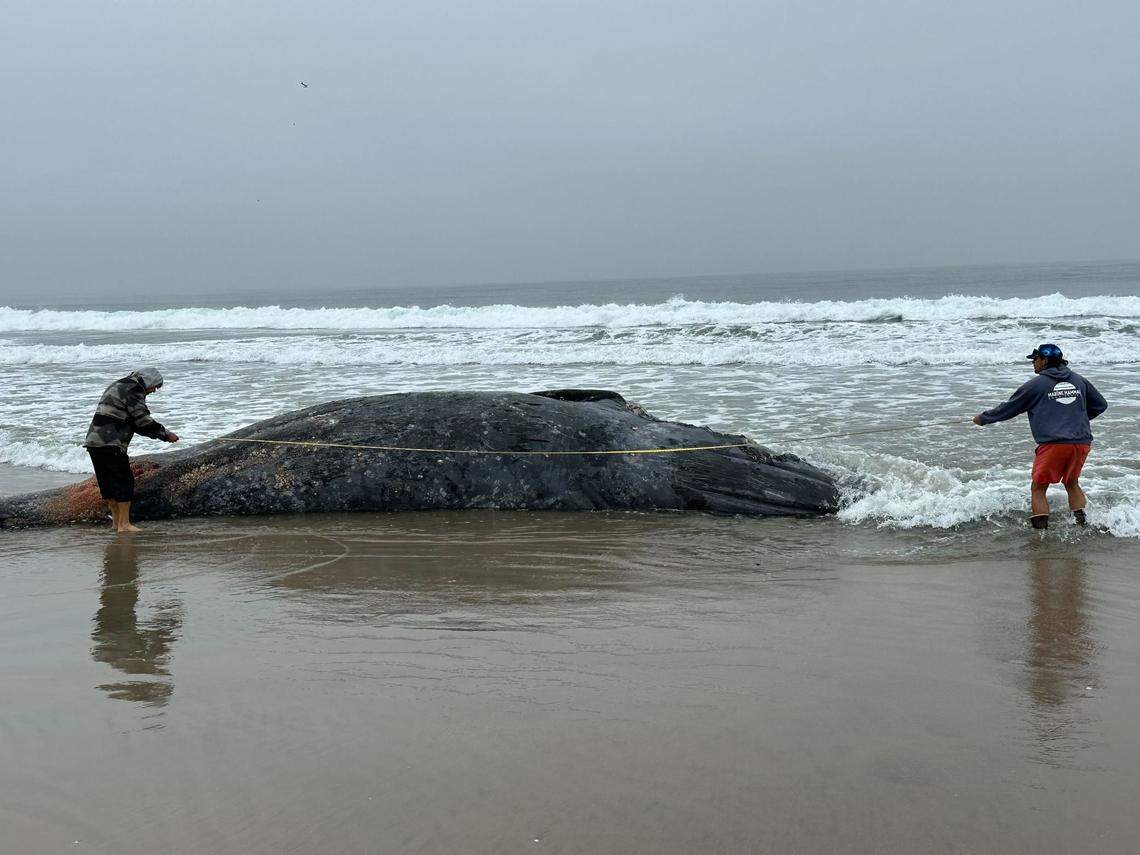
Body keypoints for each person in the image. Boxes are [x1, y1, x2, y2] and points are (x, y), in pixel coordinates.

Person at [972, 344, 1107, 529]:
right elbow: (1100, 405)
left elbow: (1010, 407)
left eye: (1035, 359)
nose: (1033, 363)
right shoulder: (1079, 380)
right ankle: (1082, 526)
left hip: (1054, 445)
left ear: (1044, 360)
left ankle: (1041, 536)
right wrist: (1073, 418)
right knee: (1072, 483)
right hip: (1081, 442)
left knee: (1038, 488)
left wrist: (983, 419)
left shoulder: (1036, 385)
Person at [83, 368, 180, 532]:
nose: (154, 390)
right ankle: (124, 525)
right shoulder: (134, 389)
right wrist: (166, 434)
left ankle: (116, 523)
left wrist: (162, 434)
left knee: (107, 483)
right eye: (155, 386)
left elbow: (136, 423)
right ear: (147, 380)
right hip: (111, 442)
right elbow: (142, 420)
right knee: (124, 481)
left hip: (94, 441)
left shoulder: (119, 384)